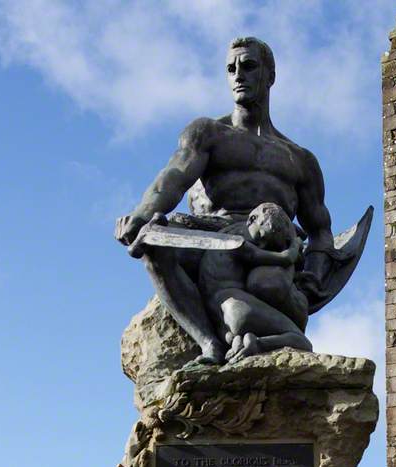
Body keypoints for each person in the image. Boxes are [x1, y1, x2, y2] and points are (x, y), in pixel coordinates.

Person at [115, 36, 335, 364]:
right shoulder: (208, 133)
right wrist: (142, 213)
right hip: (211, 233)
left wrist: (313, 276)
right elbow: (174, 177)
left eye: (248, 66)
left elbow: (320, 230)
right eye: (231, 68)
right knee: (152, 241)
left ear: (269, 75)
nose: (238, 75)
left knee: (260, 293)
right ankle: (208, 342)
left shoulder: (299, 159)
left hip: (270, 248)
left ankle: (267, 336)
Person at [197, 201, 311, 361]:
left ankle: (238, 340)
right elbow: (286, 258)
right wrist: (295, 244)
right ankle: (257, 343)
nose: (262, 245)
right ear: (251, 219)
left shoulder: (226, 235)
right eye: (263, 237)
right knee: (301, 341)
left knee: (235, 334)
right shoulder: (237, 242)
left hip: (217, 314)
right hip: (237, 308)